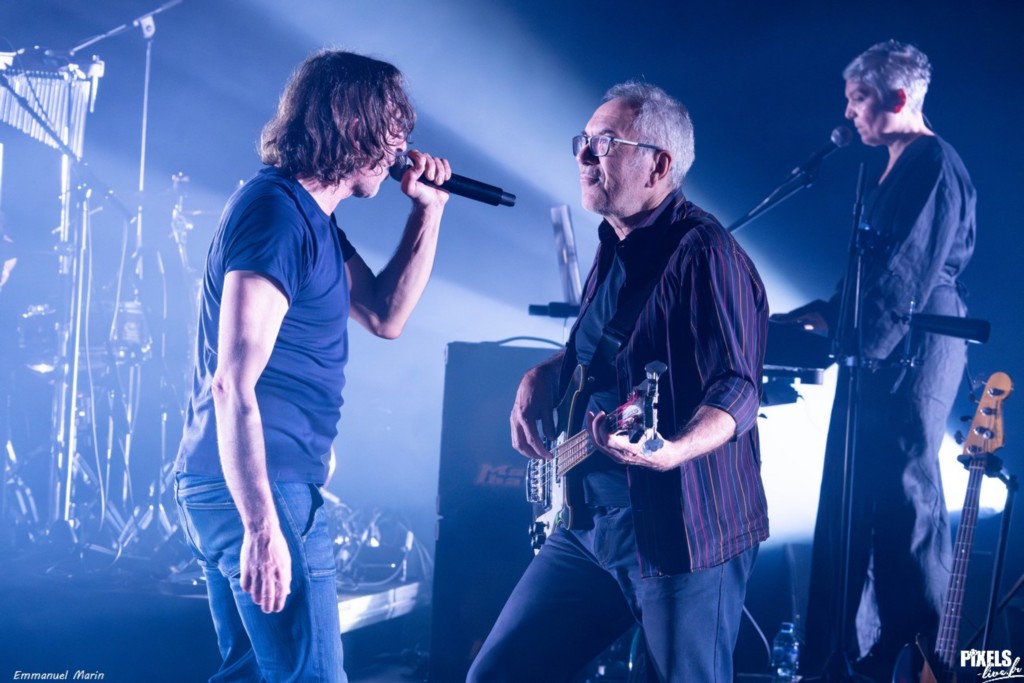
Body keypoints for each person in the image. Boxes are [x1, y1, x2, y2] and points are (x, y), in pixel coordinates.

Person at [466, 81, 770, 683]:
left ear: (658, 165)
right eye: (583, 140)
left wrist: (673, 450)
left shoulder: (707, 254)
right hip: (588, 526)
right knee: (497, 675)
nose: (583, 154)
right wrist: (542, 373)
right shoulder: (615, 242)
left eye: (604, 143)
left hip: (681, 533)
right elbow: (609, 351)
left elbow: (738, 386)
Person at [173, 49, 452, 683]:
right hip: (260, 484)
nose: (402, 149)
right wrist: (261, 525)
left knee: (257, 674)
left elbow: (385, 314)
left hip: (251, 482)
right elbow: (232, 382)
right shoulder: (275, 214)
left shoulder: (315, 221)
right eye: (393, 130)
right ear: (352, 127)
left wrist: (428, 211)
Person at [778, 40, 976, 680]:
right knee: (860, 493)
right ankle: (859, 657)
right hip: (883, 344)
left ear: (898, 97)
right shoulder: (894, 166)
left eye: (858, 98)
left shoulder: (932, 162)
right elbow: (875, 269)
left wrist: (850, 336)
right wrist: (828, 314)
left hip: (914, 345)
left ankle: (926, 659)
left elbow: (908, 271)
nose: (849, 112)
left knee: (903, 494)